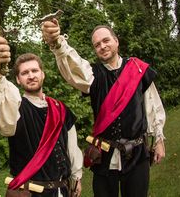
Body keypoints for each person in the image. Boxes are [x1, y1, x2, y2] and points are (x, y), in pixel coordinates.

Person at [41, 21, 166, 197]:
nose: (102, 46)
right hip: (104, 156)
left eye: (106, 41)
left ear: (116, 41)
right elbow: (73, 66)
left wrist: (159, 139)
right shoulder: (93, 75)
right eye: (97, 45)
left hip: (137, 153)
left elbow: (152, 104)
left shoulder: (137, 69)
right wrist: (58, 44)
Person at [0, 36, 83, 197]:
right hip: (29, 191)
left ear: (43, 74)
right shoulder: (14, 108)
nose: (31, 75)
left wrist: (76, 177)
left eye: (34, 71)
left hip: (62, 190)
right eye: (25, 73)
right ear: (18, 80)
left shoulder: (60, 109)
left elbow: (72, 147)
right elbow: (0, 106)